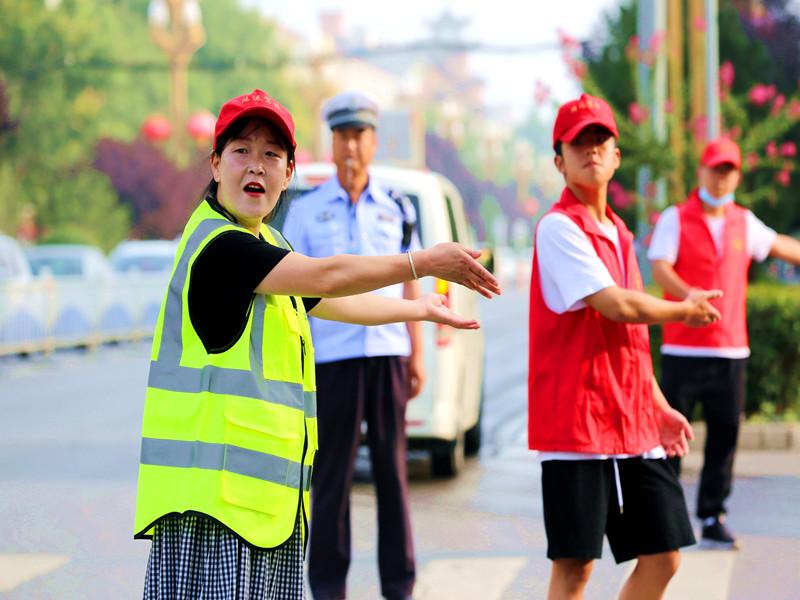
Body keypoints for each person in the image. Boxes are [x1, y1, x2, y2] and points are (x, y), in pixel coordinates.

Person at [133, 89, 500, 600]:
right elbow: (328, 272)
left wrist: (416, 307)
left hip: (257, 510)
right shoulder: (222, 246)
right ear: (215, 164)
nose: (255, 166)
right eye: (242, 151)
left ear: (287, 175)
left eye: (271, 155)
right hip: (216, 513)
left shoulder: (264, 243)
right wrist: (422, 263)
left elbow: (329, 298)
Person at [528, 94, 723, 600]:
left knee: (664, 555)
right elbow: (617, 306)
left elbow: (630, 338)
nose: (591, 150)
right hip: (576, 422)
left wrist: (657, 407)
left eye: (601, 140)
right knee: (575, 568)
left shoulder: (618, 232)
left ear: (616, 156)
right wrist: (684, 309)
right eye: (579, 143)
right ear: (559, 161)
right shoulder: (557, 229)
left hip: (631, 421)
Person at [282, 91, 421, 600]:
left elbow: (410, 285)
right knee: (332, 479)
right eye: (342, 135)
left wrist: (416, 352)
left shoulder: (396, 207)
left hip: (386, 353)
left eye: (359, 135)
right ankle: (328, 586)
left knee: (393, 475)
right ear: (331, 140)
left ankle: (399, 585)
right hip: (331, 359)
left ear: (374, 141)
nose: (350, 146)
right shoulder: (305, 209)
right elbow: (293, 289)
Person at [648, 137, 800, 549]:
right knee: (671, 435)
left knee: (725, 434)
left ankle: (712, 514)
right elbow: (659, 267)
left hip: (730, 349)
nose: (721, 177)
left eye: (728, 170)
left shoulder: (743, 222)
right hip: (683, 347)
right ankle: (666, 515)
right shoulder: (676, 218)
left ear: (736, 175)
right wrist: (685, 298)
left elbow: (782, 247)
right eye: (715, 169)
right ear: (701, 171)